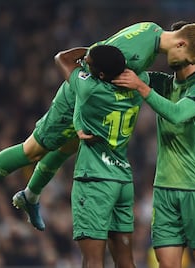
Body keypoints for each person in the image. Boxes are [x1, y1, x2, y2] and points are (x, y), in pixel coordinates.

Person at [0, 21, 195, 231]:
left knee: (67, 148)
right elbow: (89, 63)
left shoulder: (152, 31)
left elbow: (100, 51)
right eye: (188, 57)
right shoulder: (136, 52)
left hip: (91, 97)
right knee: (32, 150)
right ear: (181, 42)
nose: (185, 64)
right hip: (75, 97)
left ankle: (30, 196)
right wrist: (78, 119)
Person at [113, 21, 195, 268]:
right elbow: (125, 74)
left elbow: (177, 114)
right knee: (166, 264)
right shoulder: (162, 82)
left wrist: (141, 87)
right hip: (164, 189)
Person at [55, 44, 148, 267]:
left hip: (95, 180)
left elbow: (62, 58)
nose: (85, 61)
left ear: (102, 74)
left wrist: (90, 48)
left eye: (89, 62)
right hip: (123, 179)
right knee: (126, 261)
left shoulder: (90, 90)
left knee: (93, 260)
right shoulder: (138, 85)